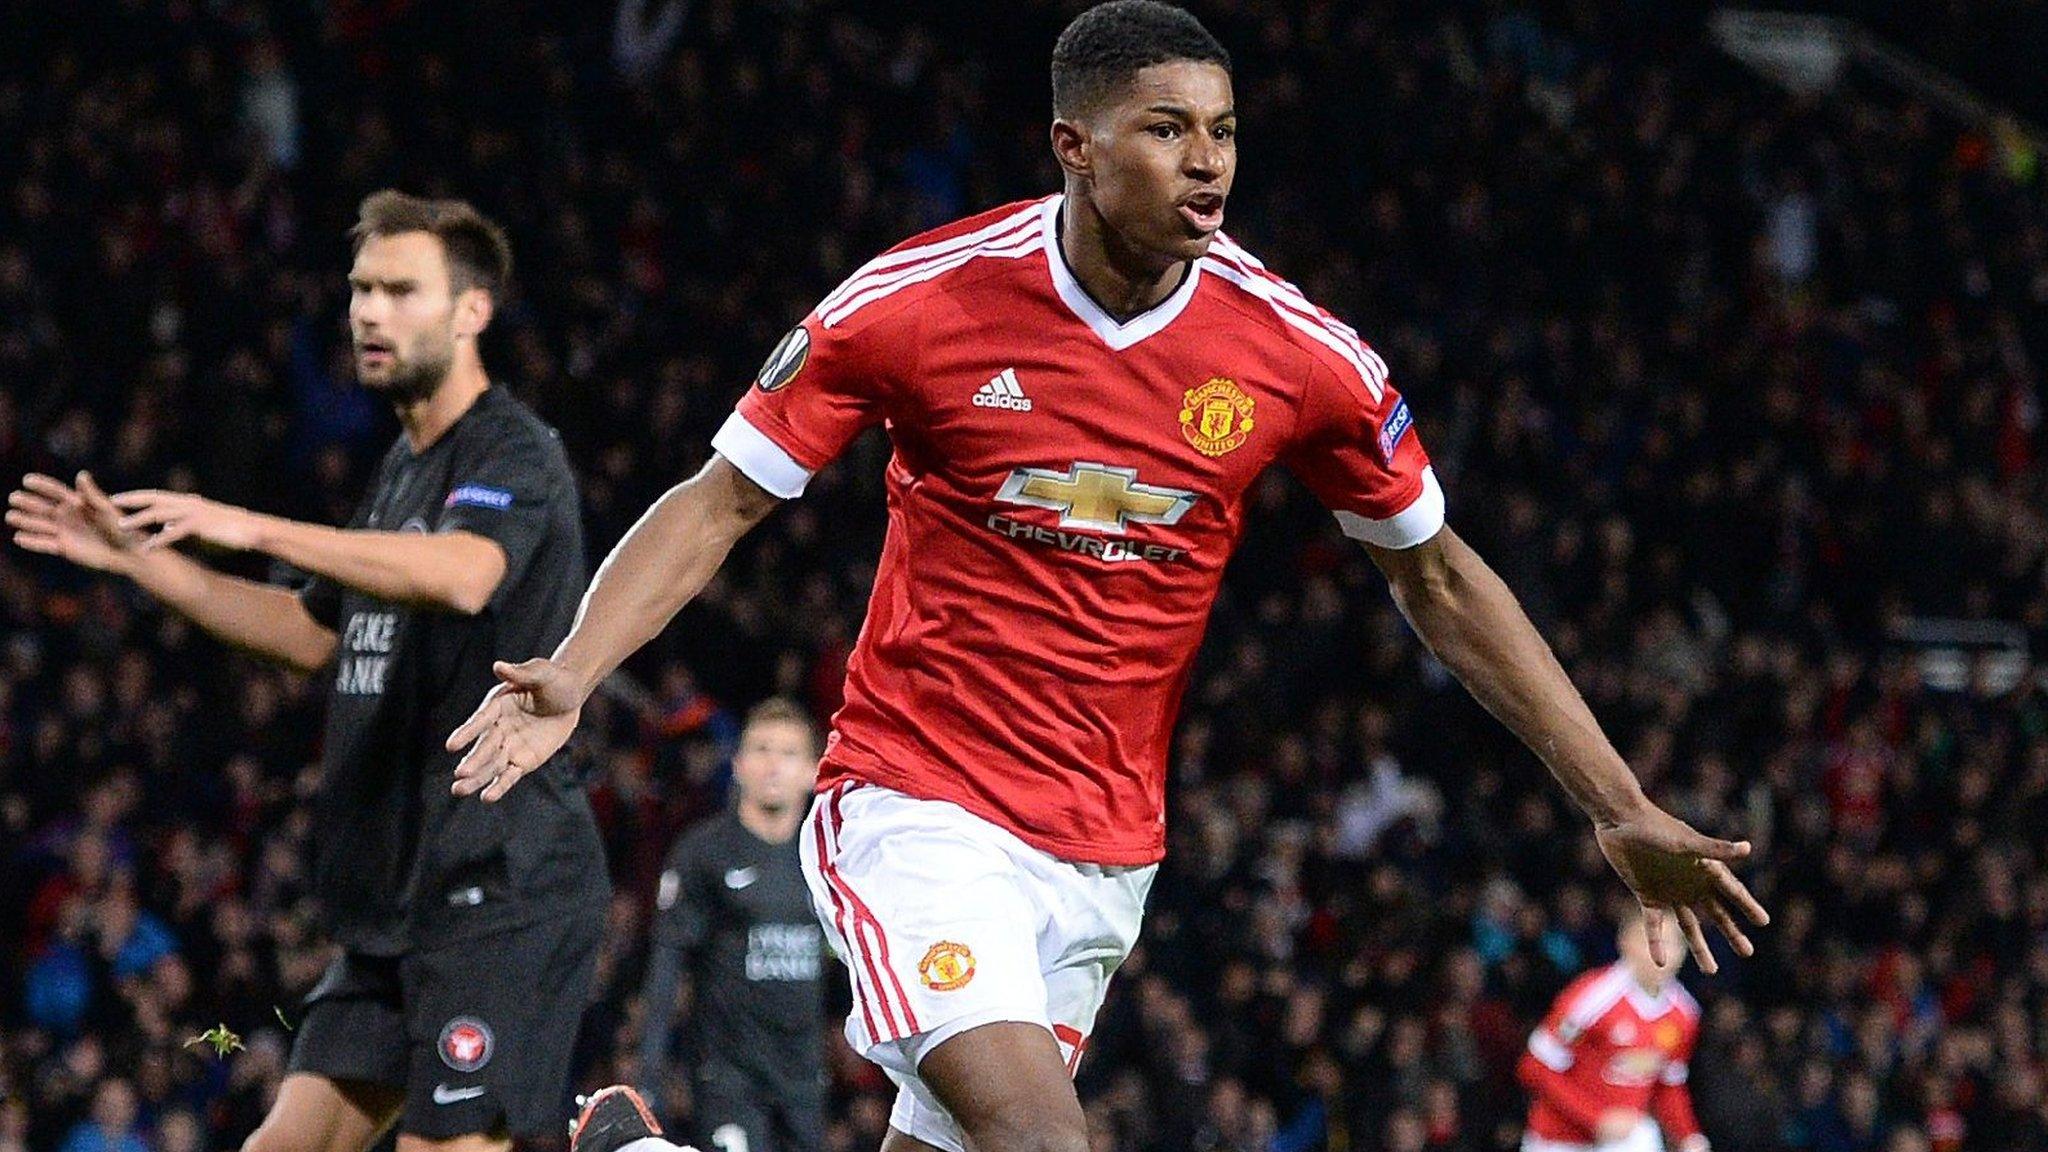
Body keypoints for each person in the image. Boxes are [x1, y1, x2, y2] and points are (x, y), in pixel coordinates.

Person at [457, 5, 1769, 1151]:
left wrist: (1616, 802)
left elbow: (1438, 577)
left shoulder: (1295, 354)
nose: (1208, 162)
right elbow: (723, 497)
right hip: (918, 805)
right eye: (1166, 129)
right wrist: (576, 667)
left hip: (1103, 854)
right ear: (1073, 147)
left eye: (1225, 129)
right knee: (1041, 1139)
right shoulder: (916, 303)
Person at [8, 191, 607, 1152]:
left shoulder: (512, 452)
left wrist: (255, 526)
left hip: (500, 889)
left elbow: (464, 575)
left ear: (470, 312)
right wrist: (141, 562)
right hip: (392, 909)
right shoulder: (403, 471)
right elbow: (305, 632)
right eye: (360, 289)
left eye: (400, 290)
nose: (368, 310)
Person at [639, 699, 825, 1152]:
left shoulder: (830, 859)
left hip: (805, 1082)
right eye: (761, 749)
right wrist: (649, 1074)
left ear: (814, 771)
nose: (773, 765)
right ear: (738, 764)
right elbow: (666, 967)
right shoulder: (703, 853)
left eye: (788, 753)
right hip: (727, 1080)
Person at [1518, 910, 1709, 1152]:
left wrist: (1689, 1137)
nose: (1663, 954)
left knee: (1643, 1135)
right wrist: (1596, 1118)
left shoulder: (1684, 1014)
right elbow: (1534, 1066)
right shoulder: (1593, 997)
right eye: (1652, 942)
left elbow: (1668, 1084)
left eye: (1673, 943)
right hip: (1558, 1140)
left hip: (1622, 1140)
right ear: (1625, 943)